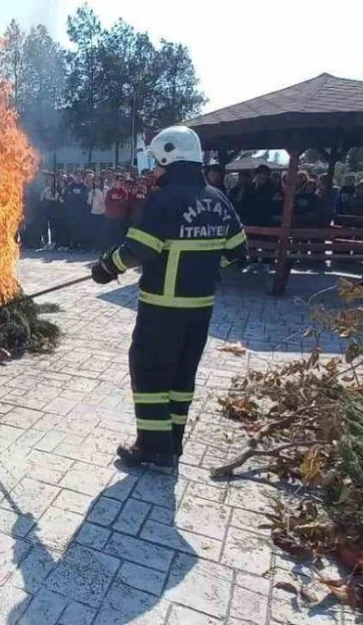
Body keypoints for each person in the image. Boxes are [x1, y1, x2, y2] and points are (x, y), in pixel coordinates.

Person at [90, 126, 246, 468]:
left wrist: (106, 268)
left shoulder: (164, 200)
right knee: (181, 377)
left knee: (149, 372)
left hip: (163, 307)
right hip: (201, 308)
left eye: (157, 165)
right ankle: (173, 443)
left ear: (169, 158)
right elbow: (238, 253)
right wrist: (203, 265)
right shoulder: (218, 198)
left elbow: (138, 249)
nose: (155, 172)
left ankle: (153, 448)